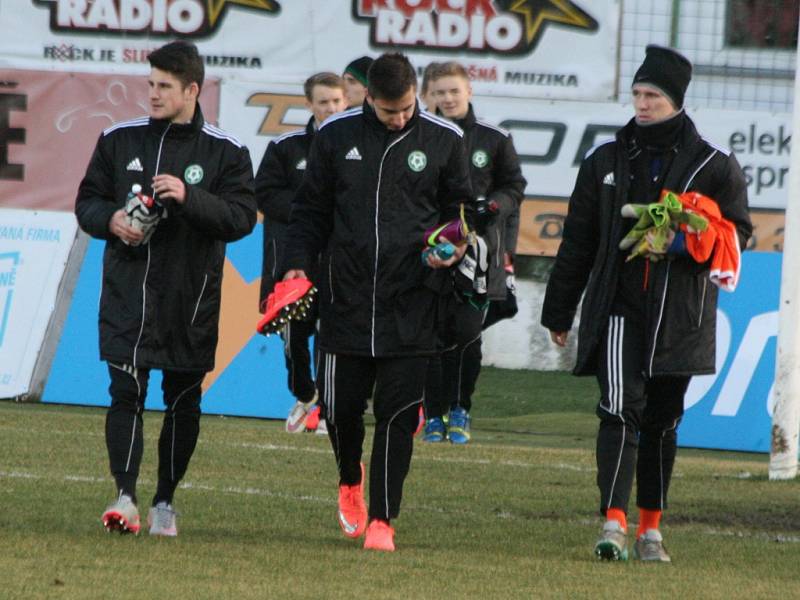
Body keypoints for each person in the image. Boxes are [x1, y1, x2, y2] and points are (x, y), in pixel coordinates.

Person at [541, 45, 751, 562]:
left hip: (679, 316)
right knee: (618, 410)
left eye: (652, 94)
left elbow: (738, 235)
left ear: (675, 99)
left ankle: (650, 530)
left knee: (661, 422)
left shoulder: (714, 165)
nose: (642, 103)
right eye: (636, 93)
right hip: (617, 308)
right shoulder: (606, 160)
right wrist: (559, 310)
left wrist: (683, 239)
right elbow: (578, 241)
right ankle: (612, 522)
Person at [283, 52, 473, 551]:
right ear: (370, 97)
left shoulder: (444, 139)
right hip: (344, 299)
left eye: (408, 107)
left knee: (397, 414)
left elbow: (461, 213)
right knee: (342, 410)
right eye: (390, 111)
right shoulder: (335, 136)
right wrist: (298, 263)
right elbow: (308, 212)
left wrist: (451, 246)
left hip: (413, 300)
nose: (401, 118)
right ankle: (350, 478)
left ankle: (383, 520)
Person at [75, 40, 256, 537]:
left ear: (192, 90)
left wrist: (189, 195)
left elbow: (241, 219)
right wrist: (111, 219)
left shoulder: (227, 151)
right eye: (150, 84)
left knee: (182, 402)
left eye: (164, 87)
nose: (152, 95)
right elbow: (86, 201)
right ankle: (125, 497)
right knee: (125, 393)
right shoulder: (118, 139)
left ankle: (164, 502)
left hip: (190, 299)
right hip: (127, 294)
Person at [421, 61, 526, 444]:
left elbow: (514, 187)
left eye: (453, 91)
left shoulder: (494, 139)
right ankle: (432, 415)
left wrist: (493, 206)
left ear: (469, 92)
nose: (447, 99)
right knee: (430, 338)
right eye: (439, 92)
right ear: (425, 96)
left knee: (467, 336)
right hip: (430, 252)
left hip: (479, 257)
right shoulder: (418, 136)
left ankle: (459, 409)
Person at [255, 72, 346, 435]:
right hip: (292, 262)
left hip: (338, 264)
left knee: (331, 336)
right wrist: (310, 208)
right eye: (324, 102)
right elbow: (263, 194)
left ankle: (323, 408)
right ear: (308, 105)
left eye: (337, 101)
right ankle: (304, 393)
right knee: (293, 334)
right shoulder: (285, 147)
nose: (331, 108)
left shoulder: (355, 147)